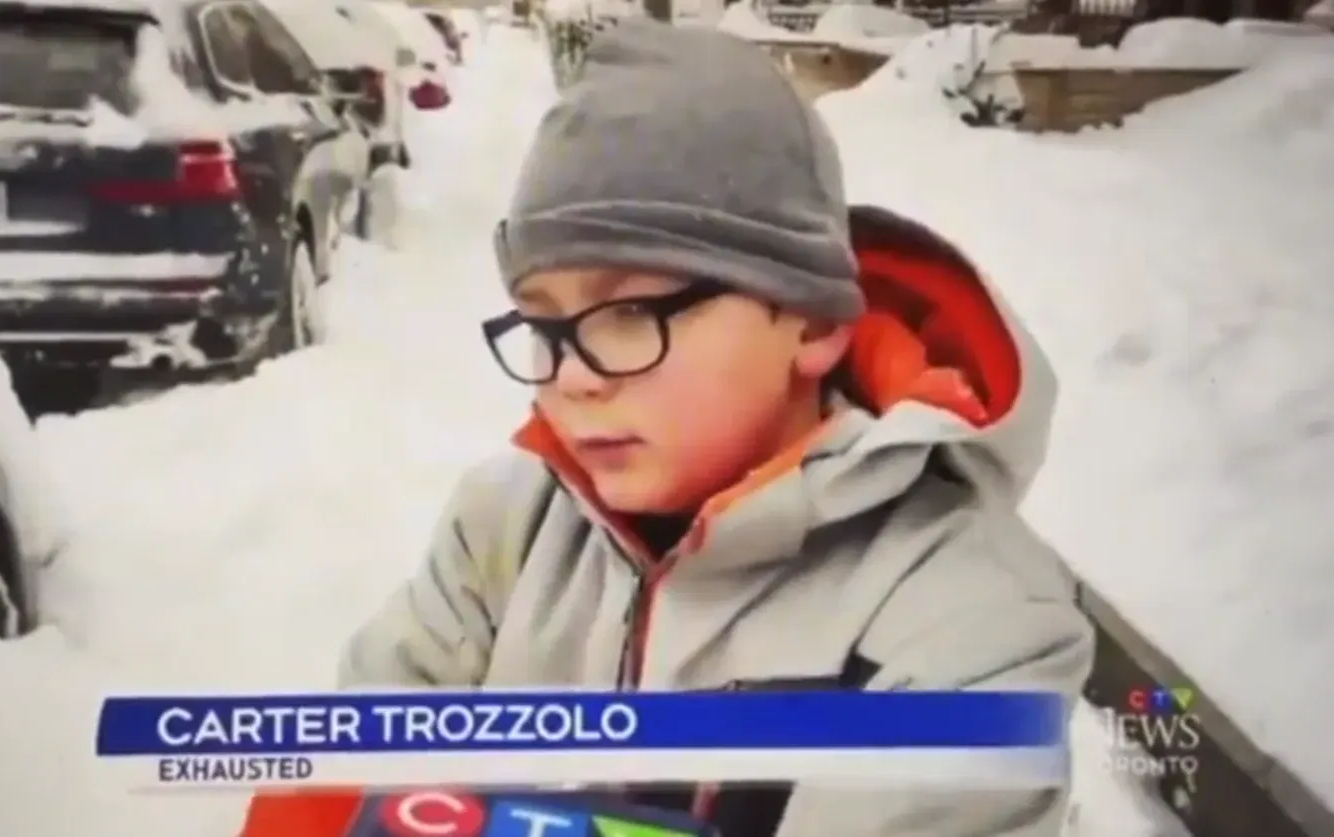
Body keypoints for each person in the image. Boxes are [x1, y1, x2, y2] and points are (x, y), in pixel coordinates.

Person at [246, 19, 1092, 837]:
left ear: (812, 320)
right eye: (543, 323)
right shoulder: (504, 527)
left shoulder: (972, 627)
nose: (571, 377)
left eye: (630, 312)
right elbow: (340, 788)